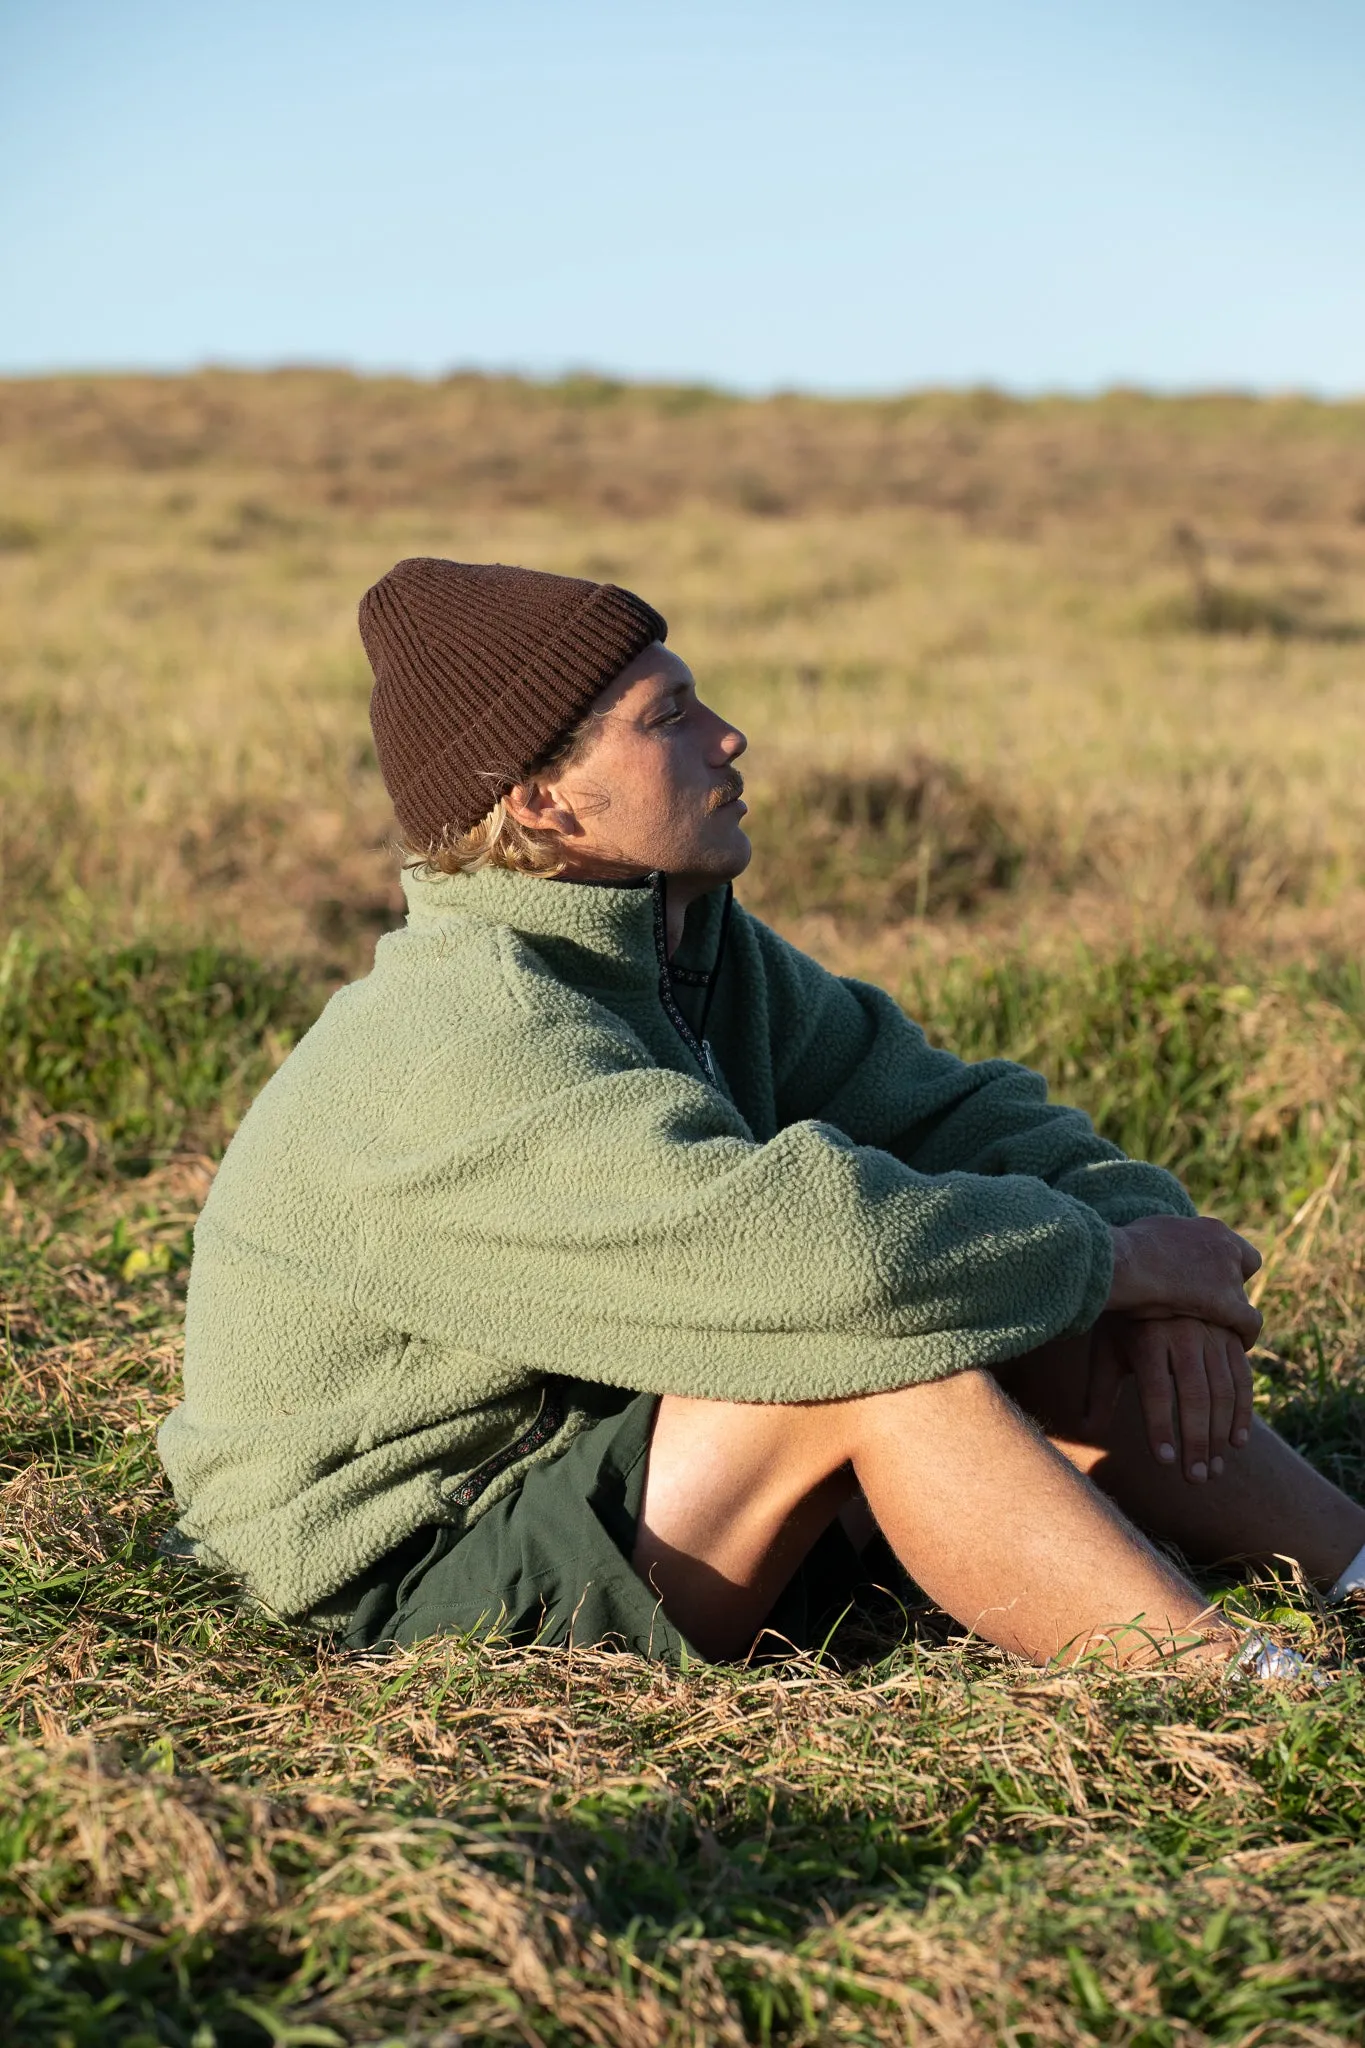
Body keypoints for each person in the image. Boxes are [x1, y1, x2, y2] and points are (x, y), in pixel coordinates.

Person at [158, 559, 1365, 1677]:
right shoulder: (459, 1036)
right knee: (879, 1358)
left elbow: (961, 1112)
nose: (728, 735)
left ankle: (1355, 1565)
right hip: (416, 1557)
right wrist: (1119, 1260)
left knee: (1031, 1308)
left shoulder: (692, 952)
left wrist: (1155, 1272)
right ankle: (1241, 1696)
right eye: (667, 718)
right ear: (540, 801)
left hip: (612, 1452)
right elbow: (825, 1268)